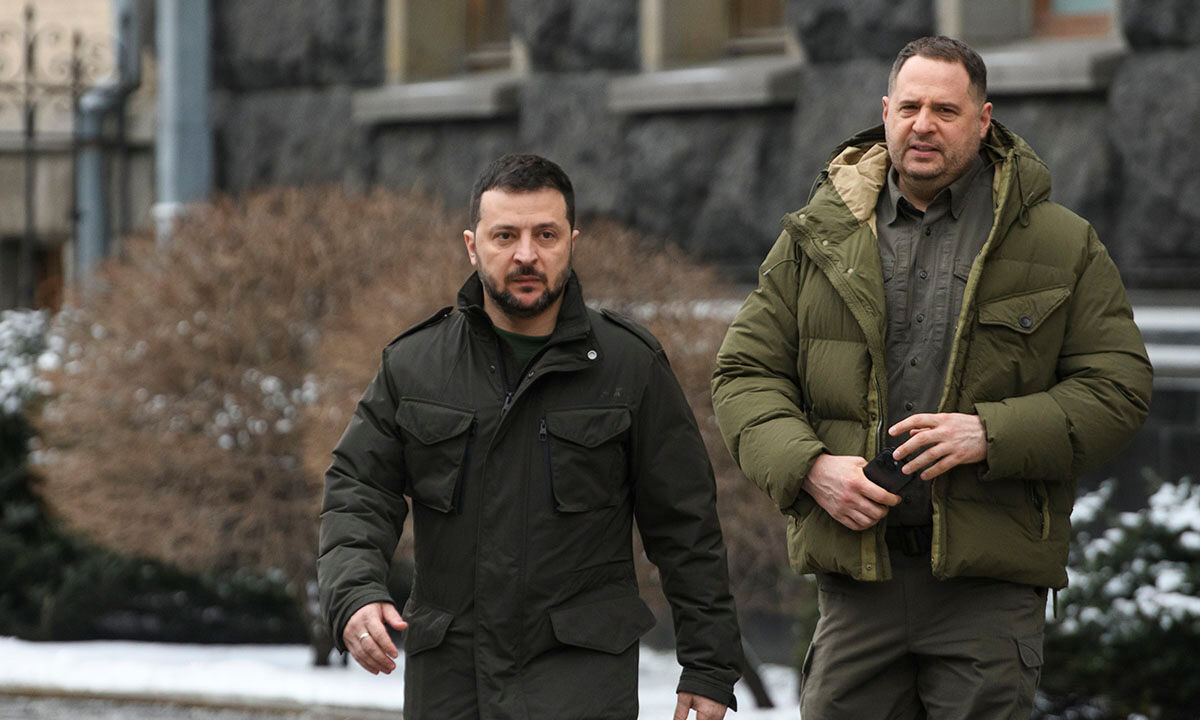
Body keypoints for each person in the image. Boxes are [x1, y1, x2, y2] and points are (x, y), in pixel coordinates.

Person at [711, 36, 1152, 719]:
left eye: (945, 109)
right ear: (886, 112)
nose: (923, 124)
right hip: (859, 580)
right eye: (910, 106)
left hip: (987, 591)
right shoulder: (814, 239)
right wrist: (810, 468)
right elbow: (744, 374)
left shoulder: (1061, 243)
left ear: (983, 120)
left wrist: (991, 434)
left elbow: (1118, 388)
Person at [318, 154, 742, 720]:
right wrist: (354, 593)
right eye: (505, 235)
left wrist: (709, 665)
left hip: (581, 677)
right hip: (453, 680)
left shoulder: (628, 367)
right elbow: (358, 489)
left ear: (572, 241)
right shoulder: (415, 365)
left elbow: (685, 523)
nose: (526, 254)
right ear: (472, 246)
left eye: (545, 234)